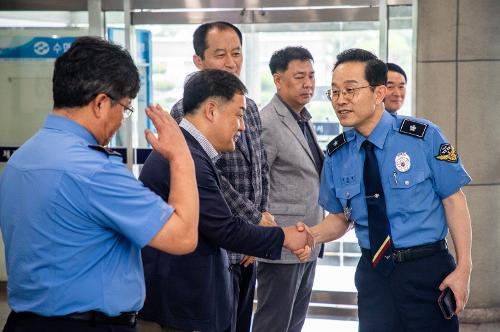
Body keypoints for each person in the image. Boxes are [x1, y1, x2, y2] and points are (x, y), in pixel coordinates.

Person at [0, 36, 199, 332]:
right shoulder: (93, 170)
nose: (122, 119)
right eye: (125, 107)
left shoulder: (23, 158)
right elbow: (182, 237)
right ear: (101, 103)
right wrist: (182, 155)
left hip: (23, 322)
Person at [307, 48, 472, 331]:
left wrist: (464, 268)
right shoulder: (337, 155)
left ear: (379, 92)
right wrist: (309, 236)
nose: (340, 101)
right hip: (374, 275)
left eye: (350, 90)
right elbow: (340, 218)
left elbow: (454, 201)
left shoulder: (424, 137)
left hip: (427, 271)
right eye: (334, 92)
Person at [138, 69, 312, 332]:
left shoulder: (193, 152)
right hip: (177, 309)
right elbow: (224, 228)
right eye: (239, 115)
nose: (242, 126)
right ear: (211, 111)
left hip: (187, 303)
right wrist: (284, 237)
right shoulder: (185, 158)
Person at [170, 21, 275, 332]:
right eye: (220, 54)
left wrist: (261, 216)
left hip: (248, 246)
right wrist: (254, 222)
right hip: (218, 246)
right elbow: (211, 179)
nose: (231, 62)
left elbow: (260, 167)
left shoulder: (250, 107)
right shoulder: (185, 112)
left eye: (236, 53)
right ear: (199, 61)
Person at [252, 46, 324, 332]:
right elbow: (257, 183)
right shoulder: (268, 121)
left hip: (309, 237)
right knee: (274, 323)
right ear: (278, 80)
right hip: (281, 241)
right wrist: (258, 233)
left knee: (294, 322)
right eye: (299, 77)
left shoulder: (302, 118)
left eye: (311, 76)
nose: (308, 83)